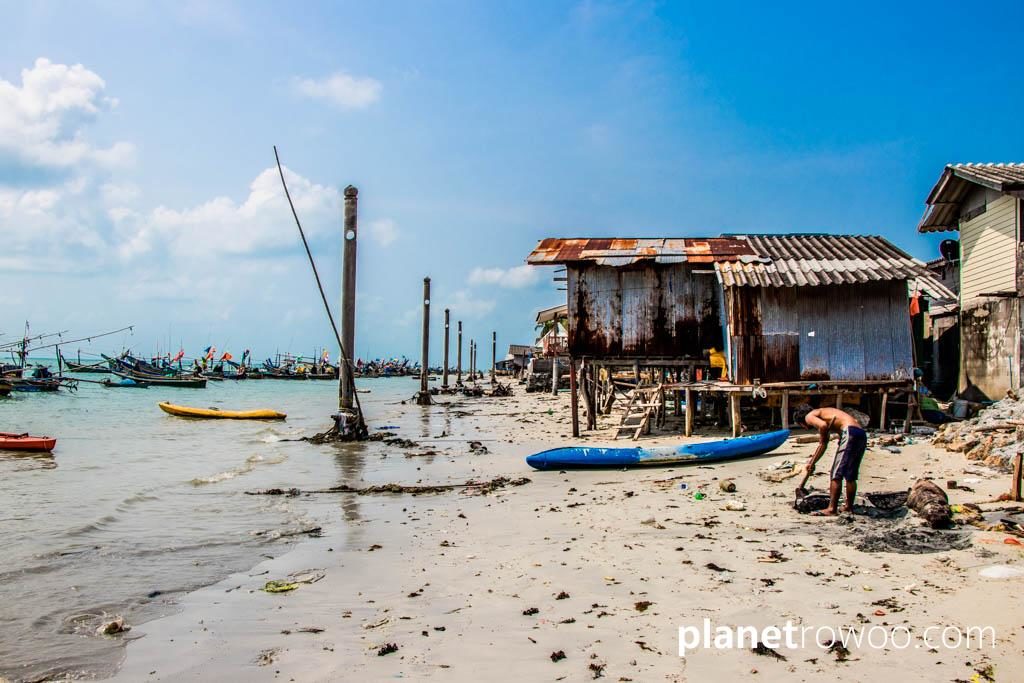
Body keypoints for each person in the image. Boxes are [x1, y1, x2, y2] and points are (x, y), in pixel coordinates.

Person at [793, 404, 868, 516]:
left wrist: (823, 438)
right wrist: (812, 462)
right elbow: (823, 444)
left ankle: (832, 509)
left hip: (850, 433)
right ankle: (848, 507)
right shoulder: (825, 412)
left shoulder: (809, 416)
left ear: (801, 422)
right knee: (850, 475)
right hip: (860, 434)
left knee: (836, 474)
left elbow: (823, 426)